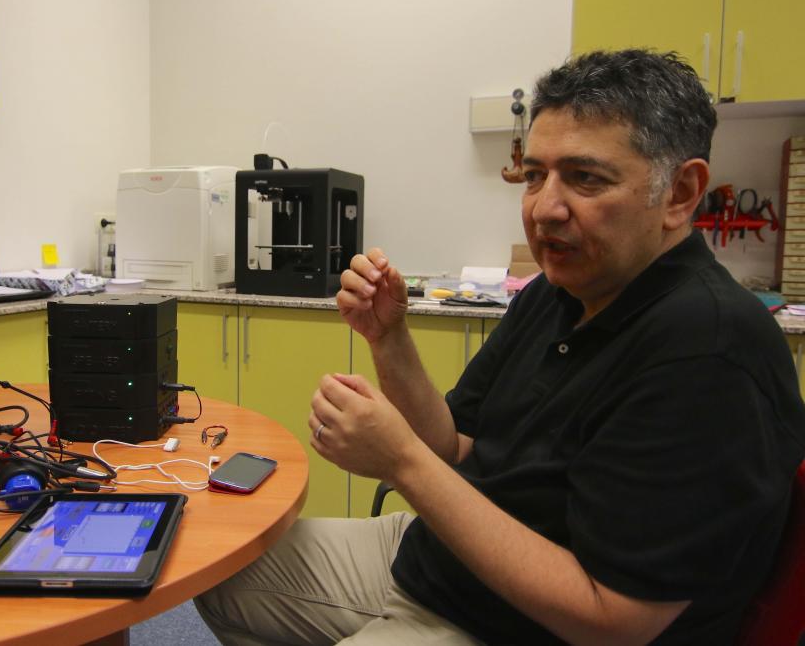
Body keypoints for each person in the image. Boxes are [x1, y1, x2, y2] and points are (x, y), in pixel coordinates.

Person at [194, 49, 805, 645]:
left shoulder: (707, 352)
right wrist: (389, 337)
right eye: (535, 176)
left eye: (586, 178)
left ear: (680, 193)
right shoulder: (557, 291)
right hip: (442, 559)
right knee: (217, 568)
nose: (545, 209)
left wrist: (401, 461)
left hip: (509, 625)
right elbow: (452, 445)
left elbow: (611, 620)